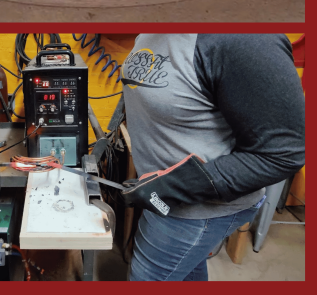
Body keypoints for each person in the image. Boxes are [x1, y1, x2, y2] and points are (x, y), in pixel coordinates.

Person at [119, 34, 305, 281]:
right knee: (188, 274)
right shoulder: (160, 25)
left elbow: (284, 153)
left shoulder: (247, 40)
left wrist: (172, 187)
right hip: (163, 197)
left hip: (195, 211)